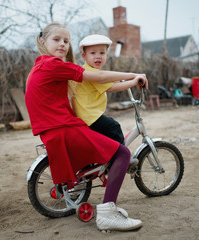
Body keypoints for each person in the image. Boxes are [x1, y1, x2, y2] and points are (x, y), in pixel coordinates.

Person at [25, 22, 147, 231]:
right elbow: (99, 76)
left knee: (111, 148)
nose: (63, 44)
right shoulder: (52, 65)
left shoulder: (42, 65)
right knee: (123, 154)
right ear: (43, 42)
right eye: (57, 40)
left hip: (56, 129)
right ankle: (108, 213)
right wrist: (132, 76)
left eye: (66, 40)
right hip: (63, 129)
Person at [72, 34, 141, 145]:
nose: (98, 56)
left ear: (107, 55)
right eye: (93, 53)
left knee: (105, 137)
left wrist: (117, 80)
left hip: (88, 115)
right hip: (89, 116)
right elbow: (113, 88)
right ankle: (119, 158)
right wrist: (133, 82)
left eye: (102, 53)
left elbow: (108, 79)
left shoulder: (89, 70)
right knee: (114, 127)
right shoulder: (91, 72)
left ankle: (109, 156)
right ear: (84, 56)